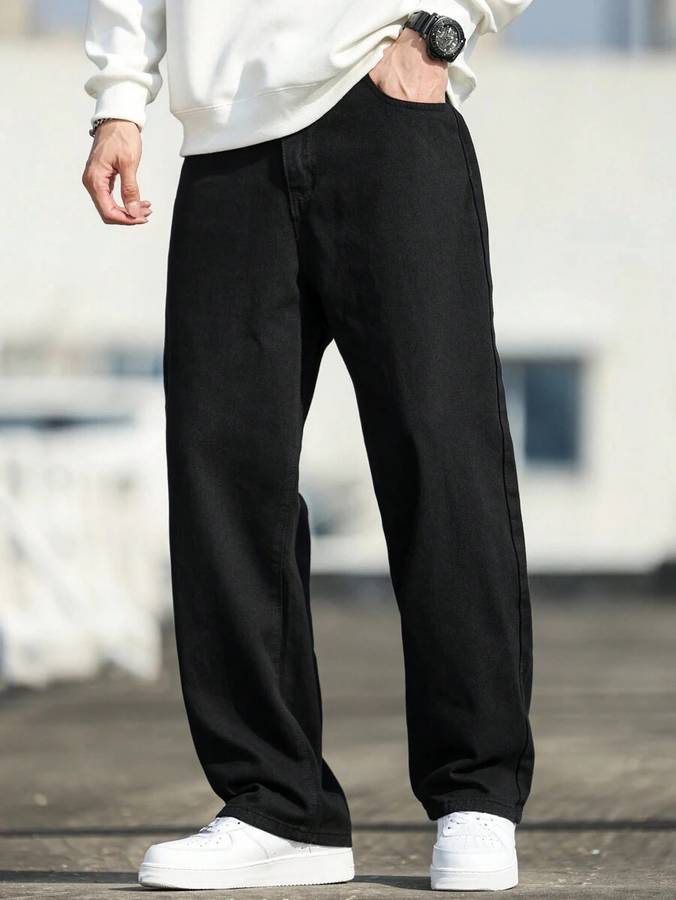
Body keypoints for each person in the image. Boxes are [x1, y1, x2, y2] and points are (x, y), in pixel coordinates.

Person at [82, 0, 534, 891]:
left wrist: (442, 26)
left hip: (386, 114)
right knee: (222, 477)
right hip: (225, 144)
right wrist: (119, 101)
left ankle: (476, 793)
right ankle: (276, 805)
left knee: (441, 457)